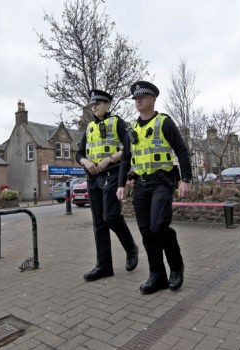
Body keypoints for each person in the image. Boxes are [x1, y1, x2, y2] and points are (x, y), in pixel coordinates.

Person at [117, 81, 192, 294]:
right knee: (146, 232)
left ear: (153, 99)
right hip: (140, 185)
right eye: (135, 98)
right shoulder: (130, 128)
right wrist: (121, 184)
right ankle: (157, 275)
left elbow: (182, 151)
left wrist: (185, 179)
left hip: (162, 181)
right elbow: (125, 159)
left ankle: (176, 267)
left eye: (142, 97)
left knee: (159, 226)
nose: (138, 101)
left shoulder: (164, 122)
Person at [76, 89, 139, 282]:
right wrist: (86, 162)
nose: (94, 106)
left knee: (111, 216)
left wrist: (108, 159)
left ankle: (131, 248)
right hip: (93, 178)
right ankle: (104, 266)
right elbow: (79, 154)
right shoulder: (89, 128)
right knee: (99, 223)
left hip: (112, 174)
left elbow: (130, 148)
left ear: (107, 105)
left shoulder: (117, 123)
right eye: (92, 104)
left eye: (98, 103)